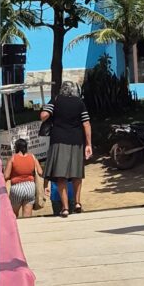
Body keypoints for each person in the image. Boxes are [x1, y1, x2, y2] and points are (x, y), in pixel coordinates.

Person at [40, 80, 92, 216]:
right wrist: (88, 144)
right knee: (76, 174)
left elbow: (43, 116)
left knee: (61, 175)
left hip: (59, 140)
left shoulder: (56, 100)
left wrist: (50, 113)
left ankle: (65, 208)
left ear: (62, 89)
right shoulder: (79, 103)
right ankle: (78, 202)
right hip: (76, 141)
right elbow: (86, 124)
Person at [4, 136, 43, 218]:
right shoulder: (32, 157)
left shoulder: (12, 158)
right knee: (27, 216)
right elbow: (40, 172)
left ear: (16, 147)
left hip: (17, 188)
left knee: (13, 216)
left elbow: (6, 176)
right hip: (30, 187)